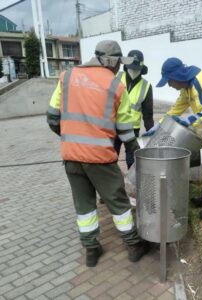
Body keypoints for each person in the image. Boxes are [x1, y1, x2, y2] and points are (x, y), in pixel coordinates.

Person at [46, 40, 149, 267]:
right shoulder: (115, 86)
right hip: (100, 158)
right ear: (110, 61)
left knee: (84, 205)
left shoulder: (67, 77)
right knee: (118, 202)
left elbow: (52, 117)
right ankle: (133, 245)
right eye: (119, 64)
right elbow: (124, 129)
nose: (119, 69)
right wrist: (135, 149)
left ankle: (91, 249)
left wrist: (70, 138)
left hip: (71, 156)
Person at [145, 57, 202, 219]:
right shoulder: (186, 87)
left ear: (177, 76)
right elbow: (177, 108)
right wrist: (160, 124)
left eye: (169, 81)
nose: (169, 85)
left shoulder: (199, 81)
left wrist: (190, 120)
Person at [114, 50, 154, 169]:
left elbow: (148, 116)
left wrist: (151, 134)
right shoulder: (116, 77)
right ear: (126, 66)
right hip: (114, 126)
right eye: (131, 67)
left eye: (137, 68)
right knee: (111, 155)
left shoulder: (146, 86)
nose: (133, 70)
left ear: (142, 69)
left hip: (132, 130)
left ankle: (133, 182)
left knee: (132, 158)